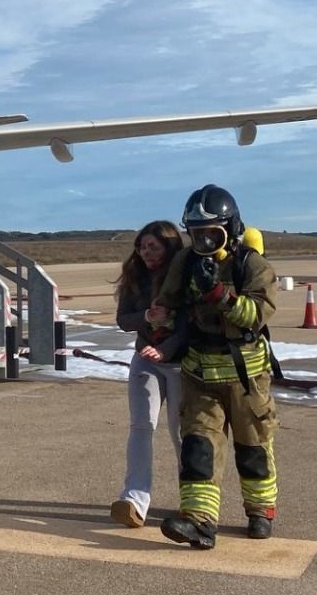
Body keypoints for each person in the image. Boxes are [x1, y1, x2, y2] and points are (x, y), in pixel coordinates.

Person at [147, 184, 280, 550]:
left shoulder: (252, 266)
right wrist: (160, 320)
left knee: (253, 446)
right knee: (198, 447)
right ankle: (199, 521)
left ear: (231, 230)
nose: (203, 241)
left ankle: (260, 511)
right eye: (196, 234)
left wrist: (218, 293)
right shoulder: (185, 263)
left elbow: (255, 315)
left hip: (246, 376)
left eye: (211, 233)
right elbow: (169, 304)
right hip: (200, 373)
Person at [109, 220, 187, 528]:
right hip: (146, 360)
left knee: (181, 432)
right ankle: (134, 500)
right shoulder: (135, 276)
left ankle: (192, 501)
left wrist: (166, 349)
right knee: (141, 427)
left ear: (169, 245)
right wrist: (145, 316)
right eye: (142, 247)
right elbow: (123, 319)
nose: (146, 253)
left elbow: (192, 323)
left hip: (181, 362)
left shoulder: (185, 275)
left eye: (153, 247)